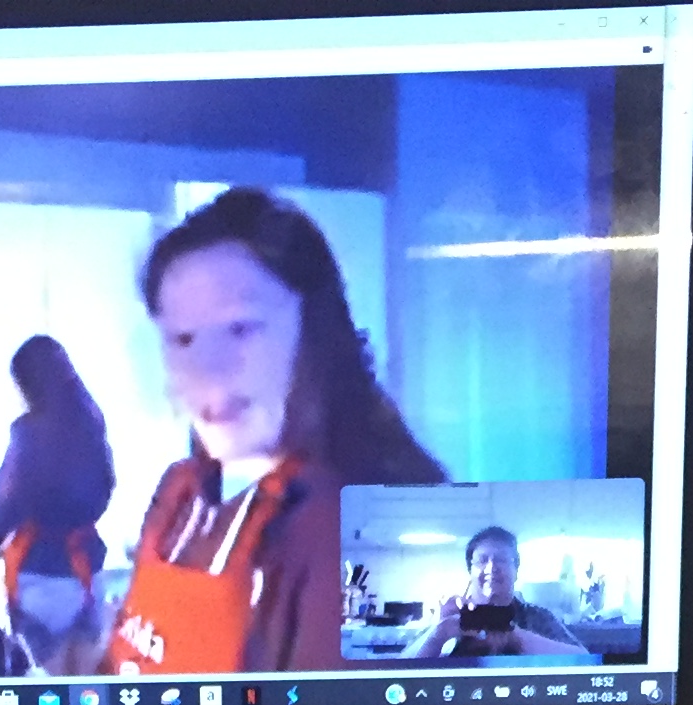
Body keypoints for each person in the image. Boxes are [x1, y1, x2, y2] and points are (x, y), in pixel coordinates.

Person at [104, 186, 445, 678]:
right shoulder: (180, 495)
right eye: (183, 339)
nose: (208, 370)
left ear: (317, 331)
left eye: (240, 329)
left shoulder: (381, 536)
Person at [0, 336, 118, 675]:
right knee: (86, 691)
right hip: (88, 572)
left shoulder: (30, 433)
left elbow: (3, 510)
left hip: (42, 581)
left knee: (48, 692)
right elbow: (106, 487)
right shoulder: (91, 423)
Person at [406, 525, 590, 662]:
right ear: (470, 571)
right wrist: (439, 633)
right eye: (482, 560)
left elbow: (584, 661)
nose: (491, 568)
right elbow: (399, 670)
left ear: (516, 571)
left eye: (501, 559)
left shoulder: (538, 617)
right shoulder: (450, 615)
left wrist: (515, 638)